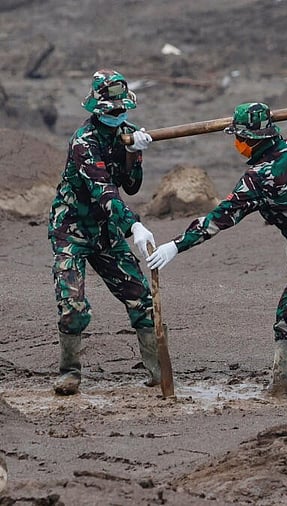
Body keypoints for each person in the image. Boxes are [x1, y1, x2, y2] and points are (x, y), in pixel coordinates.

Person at [146, 100, 287, 399]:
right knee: (286, 320)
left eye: (238, 138)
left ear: (250, 139)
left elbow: (219, 219)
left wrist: (176, 246)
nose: (236, 143)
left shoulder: (257, 178)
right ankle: (278, 390)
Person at [48, 69, 158, 395]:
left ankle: (157, 371)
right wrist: (134, 225)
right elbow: (104, 192)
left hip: (106, 231)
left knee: (140, 297)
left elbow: (131, 186)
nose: (118, 115)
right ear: (97, 109)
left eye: (122, 110)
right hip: (72, 230)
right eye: (112, 110)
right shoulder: (83, 143)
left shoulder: (127, 133)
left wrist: (134, 152)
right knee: (72, 305)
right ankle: (70, 373)